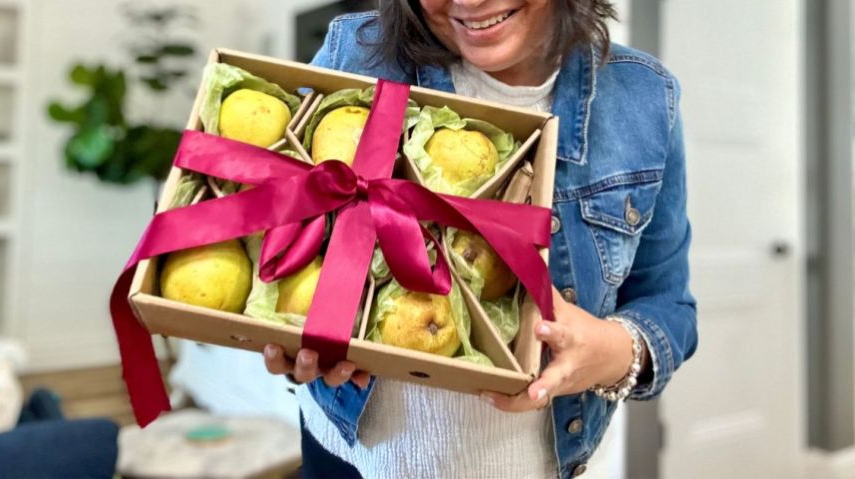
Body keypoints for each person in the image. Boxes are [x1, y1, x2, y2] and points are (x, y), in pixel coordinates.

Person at [263, 1, 697, 478]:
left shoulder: (645, 97)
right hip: (348, 459)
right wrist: (284, 328)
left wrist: (612, 352)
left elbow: (667, 306)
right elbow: (283, 225)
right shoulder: (357, 51)